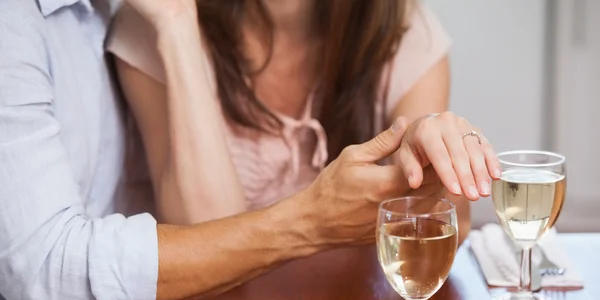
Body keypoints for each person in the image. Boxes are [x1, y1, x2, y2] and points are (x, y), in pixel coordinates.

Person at [0, 0, 498, 300]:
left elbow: (435, 223)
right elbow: (211, 234)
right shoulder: (145, 22)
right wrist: (178, 28)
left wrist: (440, 162)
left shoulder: (400, 29)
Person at [107, 0, 500, 242]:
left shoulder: (401, 32)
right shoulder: (156, 24)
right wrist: (178, 26)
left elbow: (446, 226)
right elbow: (203, 240)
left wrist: (437, 153)